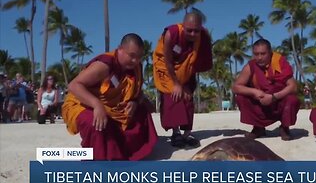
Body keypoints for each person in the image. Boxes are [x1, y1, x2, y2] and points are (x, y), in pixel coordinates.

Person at [62, 33, 158, 160]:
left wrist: (135, 101)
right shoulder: (105, 65)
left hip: (113, 107)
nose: (135, 61)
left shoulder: (136, 68)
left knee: (141, 112)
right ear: (120, 49)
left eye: (139, 57)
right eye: (132, 56)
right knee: (94, 122)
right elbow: (74, 86)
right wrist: (97, 105)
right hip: (82, 102)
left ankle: (127, 151)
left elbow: (138, 93)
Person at [153, 12, 212, 148]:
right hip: (167, 69)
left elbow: (200, 56)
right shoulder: (171, 34)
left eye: (196, 31)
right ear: (183, 25)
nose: (192, 34)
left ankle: (186, 133)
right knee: (173, 95)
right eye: (189, 30)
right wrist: (176, 83)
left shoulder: (203, 35)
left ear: (200, 28)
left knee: (187, 96)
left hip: (186, 69)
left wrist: (184, 81)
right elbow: (167, 61)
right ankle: (175, 132)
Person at [232, 39, 299, 141]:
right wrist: (254, 92)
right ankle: (258, 128)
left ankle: (285, 128)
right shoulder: (251, 66)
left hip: (278, 102)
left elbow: (293, 86)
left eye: (263, 54)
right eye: (256, 54)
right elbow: (236, 87)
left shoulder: (280, 63)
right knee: (241, 98)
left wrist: (273, 97)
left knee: (292, 99)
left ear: (270, 52)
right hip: (261, 102)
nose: (259, 58)